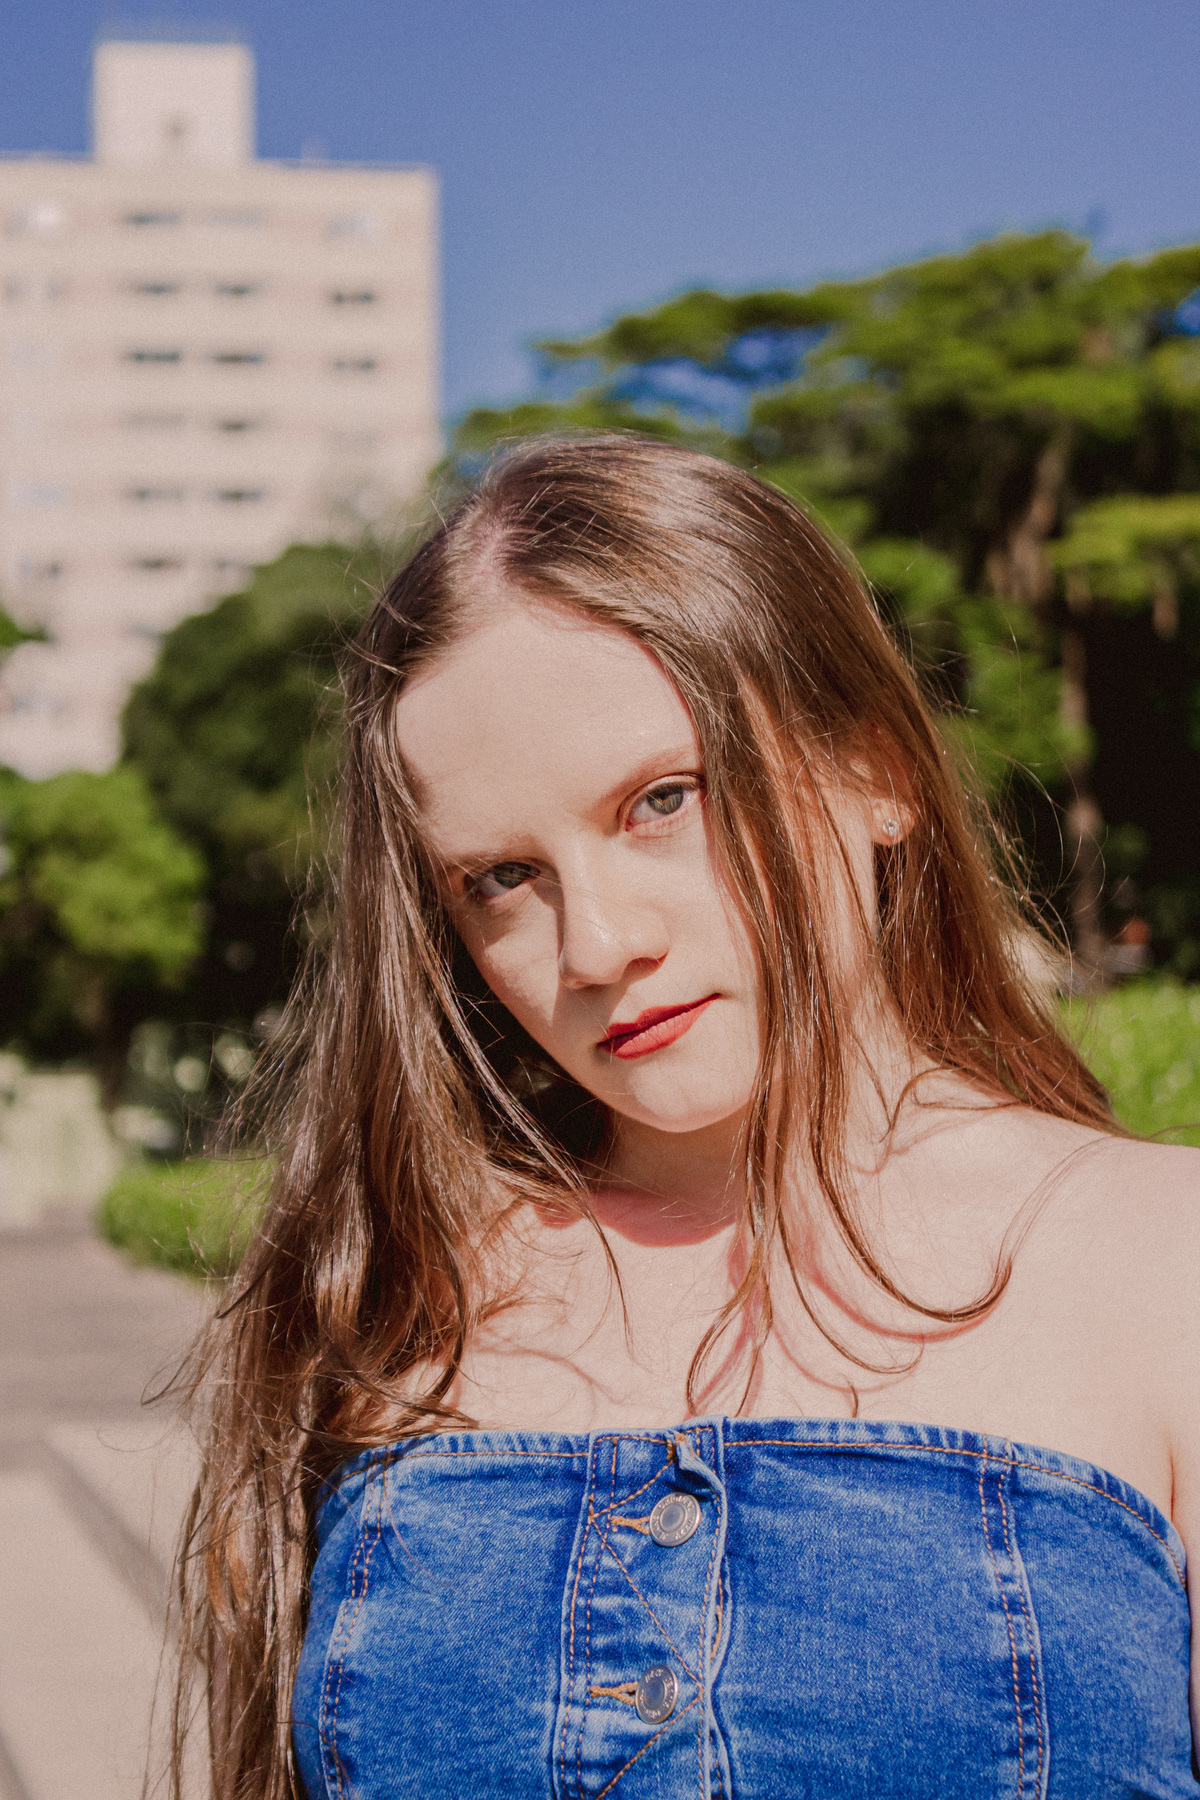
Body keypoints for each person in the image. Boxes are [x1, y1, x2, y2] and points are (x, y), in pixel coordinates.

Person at [177, 435, 1199, 1799]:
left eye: (663, 800)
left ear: (877, 771)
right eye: (498, 877)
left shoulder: (1160, 1259)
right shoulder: (391, 1288)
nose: (593, 944)